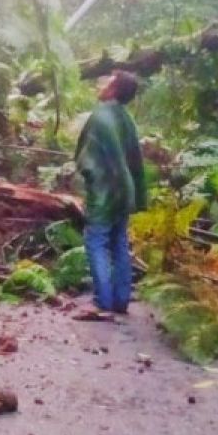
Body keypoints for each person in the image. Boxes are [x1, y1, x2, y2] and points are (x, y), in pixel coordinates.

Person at [74, 70, 146, 314]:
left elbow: (86, 158)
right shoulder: (126, 119)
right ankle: (121, 300)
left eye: (107, 81)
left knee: (96, 242)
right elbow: (135, 160)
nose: (101, 83)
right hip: (125, 191)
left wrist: (88, 175)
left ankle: (102, 301)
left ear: (114, 89)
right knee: (119, 243)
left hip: (104, 192)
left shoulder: (100, 117)